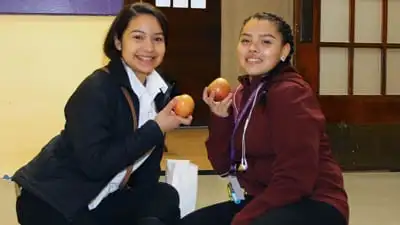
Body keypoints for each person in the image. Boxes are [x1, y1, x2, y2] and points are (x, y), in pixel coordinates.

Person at [12, 3, 192, 225]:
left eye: (157, 39)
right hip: (55, 202)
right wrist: (155, 128)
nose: (149, 47)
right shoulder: (97, 89)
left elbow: (146, 173)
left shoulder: (157, 91)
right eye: (138, 37)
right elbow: (95, 166)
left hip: (102, 196)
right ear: (118, 41)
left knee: (163, 197)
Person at [180, 12, 349, 225]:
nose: (253, 48)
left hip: (313, 202)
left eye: (266, 42)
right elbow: (222, 166)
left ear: (284, 51)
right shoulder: (243, 93)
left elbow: (295, 179)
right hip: (264, 199)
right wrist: (220, 118)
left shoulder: (291, 93)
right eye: (246, 40)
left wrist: (244, 218)